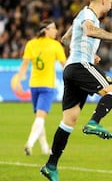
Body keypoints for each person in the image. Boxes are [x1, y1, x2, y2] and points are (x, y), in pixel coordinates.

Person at [40, 0, 112, 181]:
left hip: (71, 68)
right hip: (79, 64)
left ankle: (51, 165)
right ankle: (94, 122)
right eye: (110, 2)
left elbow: (66, 39)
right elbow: (90, 30)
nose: (111, 6)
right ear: (103, 0)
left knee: (69, 121)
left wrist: (90, 52)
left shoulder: (81, 16)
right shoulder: (89, 16)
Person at [17, 19, 66, 156]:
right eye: (54, 28)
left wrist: (19, 80)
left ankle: (45, 148)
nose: (56, 31)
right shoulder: (56, 45)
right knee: (40, 118)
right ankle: (30, 143)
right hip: (47, 86)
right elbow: (65, 66)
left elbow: (24, 65)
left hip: (34, 85)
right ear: (46, 30)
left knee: (39, 118)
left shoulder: (31, 44)